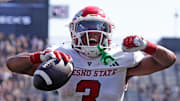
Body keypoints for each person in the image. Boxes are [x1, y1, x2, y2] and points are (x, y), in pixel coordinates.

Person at [6, 6, 176, 101]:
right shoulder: (62, 55)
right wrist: (39, 56)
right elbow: (12, 64)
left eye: (99, 28)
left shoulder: (121, 56)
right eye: (86, 28)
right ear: (73, 31)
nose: (93, 33)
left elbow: (167, 61)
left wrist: (147, 46)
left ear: (109, 31)